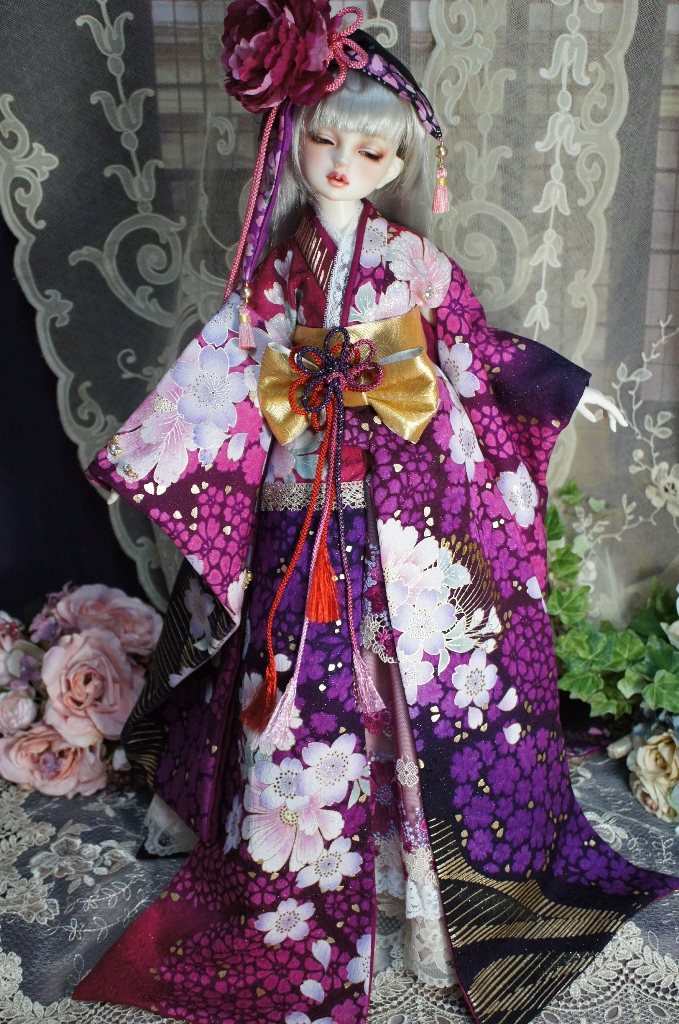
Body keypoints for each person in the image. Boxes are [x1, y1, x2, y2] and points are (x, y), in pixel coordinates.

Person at [73, 5, 678, 1024]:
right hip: (297, 495)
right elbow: (225, 367)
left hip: (400, 504)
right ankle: (293, 864)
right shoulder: (276, 270)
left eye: (371, 150)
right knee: (294, 668)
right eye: (325, 141)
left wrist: (572, 389)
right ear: (292, 141)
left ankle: (421, 888)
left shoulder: (413, 264)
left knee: (414, 675)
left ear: (400, 161)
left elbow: (475, 356)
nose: (344, 165)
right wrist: (152, 453)